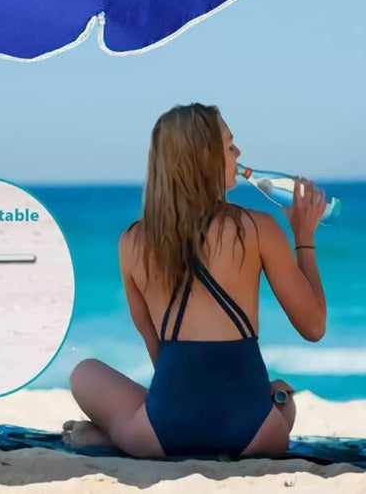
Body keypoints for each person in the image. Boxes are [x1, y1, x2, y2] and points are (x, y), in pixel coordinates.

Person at [65, 103, 327, 458]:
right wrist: (303, 236)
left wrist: (186, 407)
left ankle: (114, 436)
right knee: (282, 399)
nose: (238, 153)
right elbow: (313, 327)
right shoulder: (257, 228)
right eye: (229, 144)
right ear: (203, 156)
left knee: (84, 373)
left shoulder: (132, 242)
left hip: (162, 435)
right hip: (257, 436)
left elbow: (156, 347)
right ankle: (268, 402)